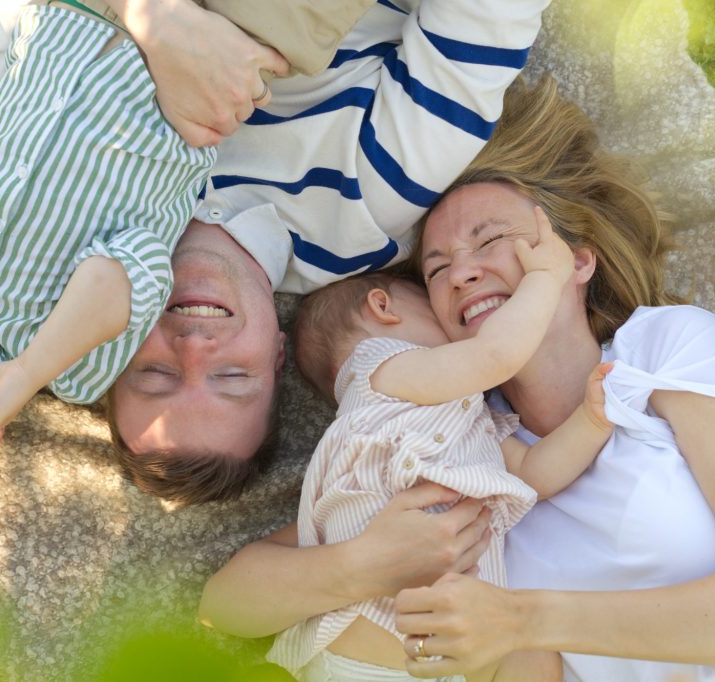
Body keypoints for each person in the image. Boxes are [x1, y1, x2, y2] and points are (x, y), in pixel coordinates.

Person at [199, 76, 715, 680]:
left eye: (491, 239)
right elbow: (225, 604)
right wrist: (363, 565)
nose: (462, 272)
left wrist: (521, 620)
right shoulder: (455, 443)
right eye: (435, 270)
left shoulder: (665, 349)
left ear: (575, 261)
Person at [0, 0, 302, 501]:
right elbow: (128, 263)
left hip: (76, 13)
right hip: (199, 55)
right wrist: (31, 369)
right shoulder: (70, 367)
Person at [109, 0, 552, 504]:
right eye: (231, 375)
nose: (193, 346)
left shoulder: (55, 210)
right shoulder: (368, 199)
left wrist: (151, 18)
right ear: (277, 353)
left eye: (156, 372)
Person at [271, 210, 613, 681]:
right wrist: (544, 277)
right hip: (375, 656)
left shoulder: (463, 417)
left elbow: (534, 473)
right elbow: (493, 355)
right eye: (433, 311)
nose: (456, 335)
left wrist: (591, 422)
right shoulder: (381, 368)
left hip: (457, 653)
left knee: (535, 651)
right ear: (383, 308)